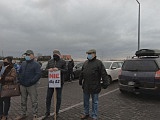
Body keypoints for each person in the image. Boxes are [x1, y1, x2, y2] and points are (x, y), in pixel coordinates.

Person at [79, 49, 109, 120]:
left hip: (95, 86)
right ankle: (86, 113)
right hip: (86, 86)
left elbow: (104, 74)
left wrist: (106, 83)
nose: (88, 55)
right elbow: (82, 73)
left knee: (95, 102)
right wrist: (80, 80)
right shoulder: (85, 63)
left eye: (90, 53)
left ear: (94, 54)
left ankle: (94, 116)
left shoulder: (99, 63)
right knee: (86, 101)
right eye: (88, 54)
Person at [15, 50, 41, 120]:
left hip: (32, 86)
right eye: (26, 55)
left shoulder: (36, 64)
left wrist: (31, 81)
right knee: (23, 101)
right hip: (23, 85)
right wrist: (19, 80)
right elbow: (19, 72)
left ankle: (35, 115)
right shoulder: (23, 63)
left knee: (34, 101)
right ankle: (23, 113)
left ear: (32, 55)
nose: (27, 56)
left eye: (28, 55)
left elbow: (38, 74)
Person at [42, 49, 67, 119]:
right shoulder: (50, 61)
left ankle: (56, 112)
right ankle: (47, 112)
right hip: (51, 82)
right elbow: (45, 70)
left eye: (56, 54)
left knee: (58, 98)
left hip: (59, 82)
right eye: (53, 54)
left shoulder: (63, 62)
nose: (54, 55)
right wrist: (48, 70)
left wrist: (59, 69)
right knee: (48, 97)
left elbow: (66, 70)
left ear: (59, 55)